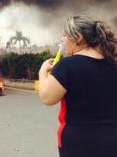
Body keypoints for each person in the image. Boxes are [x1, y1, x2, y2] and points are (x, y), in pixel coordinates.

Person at [38, 15, 117, 157]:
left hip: (79, 144)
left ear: (78, 37)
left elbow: (47, 98)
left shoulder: (68, 65)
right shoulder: (113, 64)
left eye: (65, 36)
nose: (63, 40)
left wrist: (43, 72)